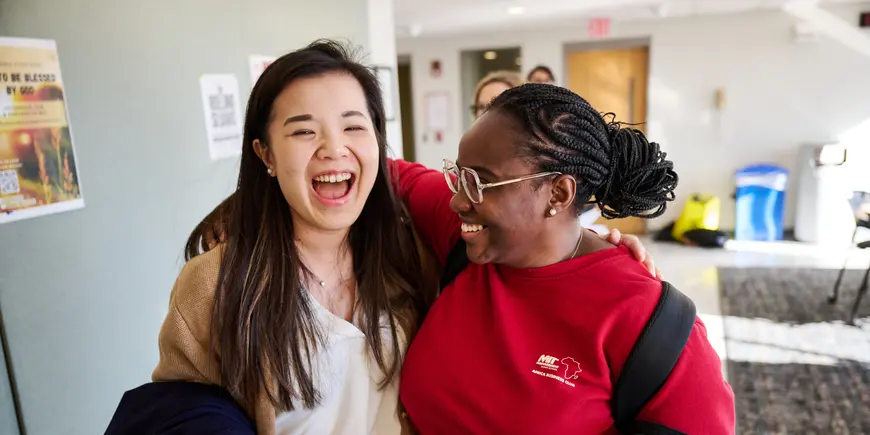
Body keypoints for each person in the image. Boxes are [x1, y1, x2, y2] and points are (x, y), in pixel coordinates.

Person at [138, 41, 655, 435]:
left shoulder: (412, 251)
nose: (333, 149)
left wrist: (590, 243)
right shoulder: (216, 283)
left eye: (353, 127)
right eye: (302, 131)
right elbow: (180, 407)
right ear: (266, 155)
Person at [394, 84, 735, 434]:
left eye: (481, 182)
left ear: (558, 192)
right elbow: (389, 173)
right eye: (460, 176)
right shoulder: (467, 237)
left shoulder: (649, 323)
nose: (458, 201)